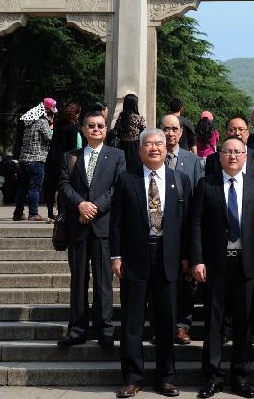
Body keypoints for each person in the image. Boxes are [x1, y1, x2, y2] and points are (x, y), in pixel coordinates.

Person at [111, 128, 192, 398]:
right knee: (132, 321)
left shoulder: (180, 180)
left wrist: (187, 257)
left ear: (166, 148)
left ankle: (166, 377)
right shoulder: (126, 180)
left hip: (168, 259)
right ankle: (132, 378)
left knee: (167, 321)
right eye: (148, 144)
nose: (154, 148)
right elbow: (116, 222)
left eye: (159, 143)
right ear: (140, 149)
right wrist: (116, 256)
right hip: (135, 258)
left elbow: (187, 224)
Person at [191, 135, 254, 399]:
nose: (232, 156)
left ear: (245, 156)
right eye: (227, 152)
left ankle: (240, 378)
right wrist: (197, 259)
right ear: (219, 156)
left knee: (244, 323)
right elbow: (196, 225)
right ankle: (213, 377)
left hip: (246, 264)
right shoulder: (206, 184)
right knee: (214, 322)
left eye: (237, 152)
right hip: (215, 263)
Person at [56, 110, 127, 352]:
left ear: (106, 130)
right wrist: (80, 205)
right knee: (78, 280)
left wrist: (94, 208)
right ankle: (77, 329)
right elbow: (63, 184)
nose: (96, 129)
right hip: (77, 226)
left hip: (103, 226)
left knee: (103, 281)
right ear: (83, 130)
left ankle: (104, 329)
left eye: (100, 126)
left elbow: (118, 187)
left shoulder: (117, 155)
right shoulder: (71, 156)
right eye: (91, 126)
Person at [161, 113, 205, 345]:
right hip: (158, 232)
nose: (169, 133)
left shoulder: (193, 161)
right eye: (165, 129)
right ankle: (161, 326)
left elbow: (199, 197)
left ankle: (182, 326)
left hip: (184, 231)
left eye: (174, 129)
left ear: (181, 133)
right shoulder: (151, 157)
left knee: (186, 283)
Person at [13, 98, 56, 222]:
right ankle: (33, 214)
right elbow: (49, 138)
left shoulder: (29, 120)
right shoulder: (42, 121)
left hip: (23, 160)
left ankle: (18, 213)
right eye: (51, 112)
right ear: (46, 110)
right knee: (34, 188)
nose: (52, 115)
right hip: (37, 160)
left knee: (22, 188)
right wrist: (51, 127)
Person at [44, 102, 82, 223]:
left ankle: (50, 213)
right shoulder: (73, 128)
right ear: (76, 114)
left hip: (52, 158)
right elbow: (73, 148)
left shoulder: (57, 123)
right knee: (63, 187)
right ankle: (61, 213)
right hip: (64, 160)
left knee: (50, 187)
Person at [204, 115, 254, 181]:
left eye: (241, 129)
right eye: (232, 130)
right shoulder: (212, 159)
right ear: (226, 133)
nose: (237, 133)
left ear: (247, 133)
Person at [112, 93, 147, 174]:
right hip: (135, 147)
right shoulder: (139, 118)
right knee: (134, 171)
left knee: (122, 169)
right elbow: (144, 133)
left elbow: (116, 131)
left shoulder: (121, 117)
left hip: (122, 146)